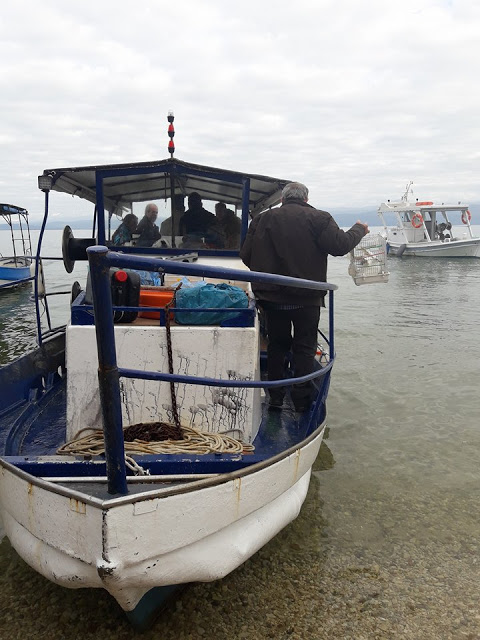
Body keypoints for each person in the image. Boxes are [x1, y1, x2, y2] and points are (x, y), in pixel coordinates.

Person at [240, 181, 369, 412]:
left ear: (282, 199)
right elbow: (340, 246)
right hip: (306, 299)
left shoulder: (261, 220)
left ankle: (276, 398)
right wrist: (359, 228)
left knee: (277, 345)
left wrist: (270, 276)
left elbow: (246, 255)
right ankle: (301, 401)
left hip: (272, 298)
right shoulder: (320, 218)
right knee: (304, 347)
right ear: (306, 199)